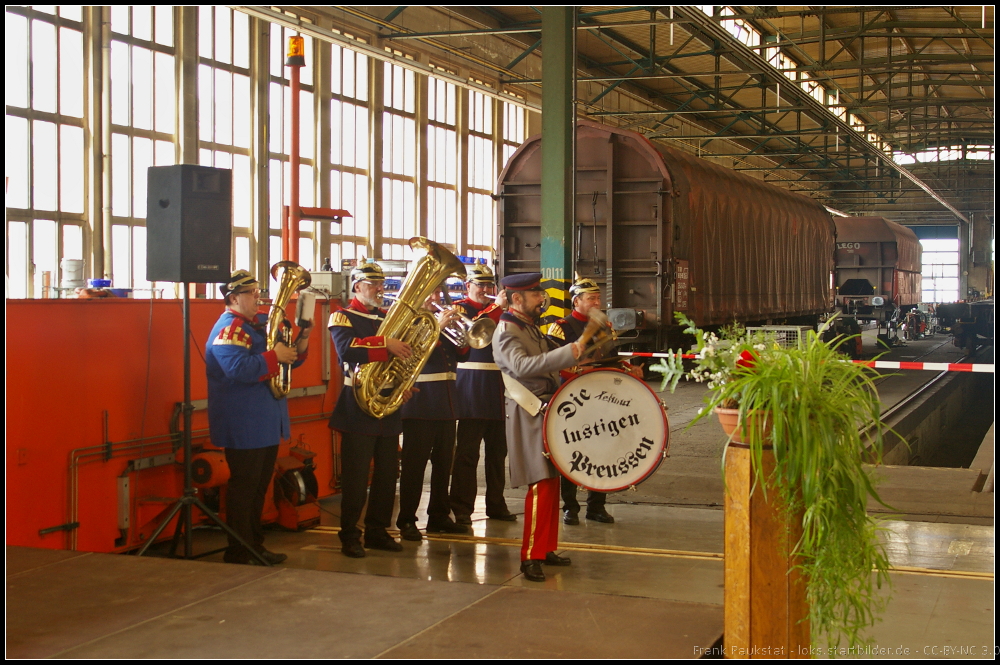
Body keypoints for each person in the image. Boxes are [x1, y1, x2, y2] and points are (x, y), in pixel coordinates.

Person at [206, 269, 312, 565]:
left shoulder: (256, 327)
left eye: (257, 291)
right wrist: (273, 356)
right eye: (251, 293)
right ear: (233, 298)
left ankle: (254, 544)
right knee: (244, 488)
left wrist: (301, 338)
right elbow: (237, 370)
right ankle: (239, 550)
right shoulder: (229, 329)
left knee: (258, 488)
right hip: (244, 423)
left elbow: (287, 360)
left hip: (263, 421)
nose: (258, 297)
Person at [493, 272, 586, 582]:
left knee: (551, 481)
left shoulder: (527, 328)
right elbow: (521, 367)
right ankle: (529, 556)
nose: (541, 299)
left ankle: (545, 548)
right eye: (535, 294)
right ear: (516, 298)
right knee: (540, 483)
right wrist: (568, 352)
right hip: (529, 411)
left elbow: (550, 358)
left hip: (545, 410)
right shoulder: (508, 331)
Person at [328, 258, 413, 558]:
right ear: (356, 286)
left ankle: (378, 531)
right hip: (357, 405)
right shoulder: (342, 316)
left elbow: (401, 358)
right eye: (373, 284)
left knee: (388, 475)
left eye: (381, 284)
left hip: (388, 405)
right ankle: (350, 535)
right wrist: (385, 343)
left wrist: (403, 385)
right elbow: (346, 349)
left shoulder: (388, 317)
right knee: (355, 476)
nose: (379, 289)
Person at [545, 276, 619, 526]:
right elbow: (552, 364)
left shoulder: (605, 327)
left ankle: (597, 506)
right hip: (573, 399)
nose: (597, 302)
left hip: (602, 397)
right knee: (571, 451)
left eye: (598, 298)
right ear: (576, 301)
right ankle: (571, 506)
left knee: (602, 451)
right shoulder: (561, 327)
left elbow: (613, 359)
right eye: (591, 299)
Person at [397, 289, 469, 540]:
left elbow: (462, 355)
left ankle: (439, 515)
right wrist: (438, 327)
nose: (435, 297)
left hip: (446, 403)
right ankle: (406, 519)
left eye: (438, 292)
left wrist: (463, 334)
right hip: (420, 403)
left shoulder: (440, 321)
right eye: (429, 293)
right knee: (414, 468)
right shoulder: (408, 321)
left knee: (443, 466)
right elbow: (413, 353)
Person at [449, 262, 516, 525]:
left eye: (490, 285)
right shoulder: (460, 309)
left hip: (499, 385)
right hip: (472, 385)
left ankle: (496, 504)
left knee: (498, 453)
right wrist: (497, 307)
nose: (486, 289)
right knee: (467, 452)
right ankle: (462, 508)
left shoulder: (502, 311)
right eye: (481, 285)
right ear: (468, 287)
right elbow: (472, 332)